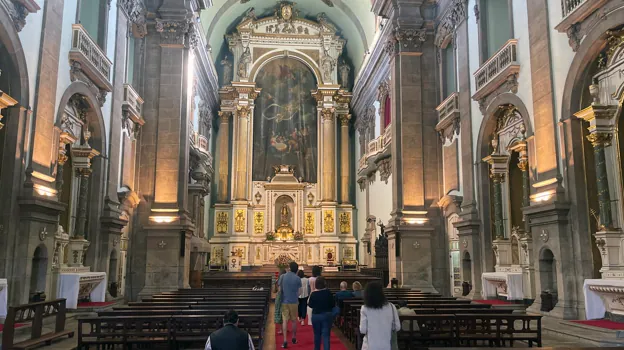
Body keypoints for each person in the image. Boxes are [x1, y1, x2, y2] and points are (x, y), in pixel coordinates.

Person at [359, 281, 400, 350]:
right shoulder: (392, 306)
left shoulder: (365, 308)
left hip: (370, 346)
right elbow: (397, 327)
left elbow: (363, 330)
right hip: (388, 345)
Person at [278, 261, 302, 348]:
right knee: (294, 320)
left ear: (290, 268)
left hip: (285, 301)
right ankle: (294, 338)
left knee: (285, 321)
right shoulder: (297, 278)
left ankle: (285, 340)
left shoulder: (283, 276)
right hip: (294, 302)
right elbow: (300, 292)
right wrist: (294, 295)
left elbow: (280, 290)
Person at [308, 276, 335, 350]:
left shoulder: (314, 294)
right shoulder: (328, 293)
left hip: (316, 315)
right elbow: (333, 304)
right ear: (324, 284)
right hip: (327, 315)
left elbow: (310, 305)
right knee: (326, 336)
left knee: (317, 335)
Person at [274, 269, 286, 334]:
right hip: (286, 297)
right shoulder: (287, 280)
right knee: (284, 313)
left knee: (279, 313)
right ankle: (285, 328)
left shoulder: (278, 280)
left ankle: (281, 329)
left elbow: (275, 290)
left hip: (279, 297)